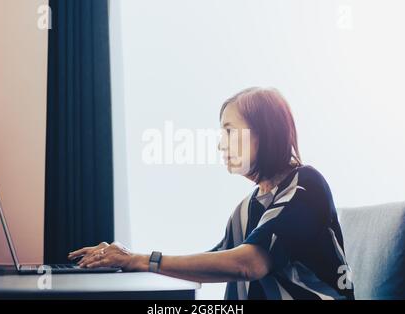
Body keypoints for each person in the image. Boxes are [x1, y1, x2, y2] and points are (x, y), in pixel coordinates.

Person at [68, 87, 354, 300]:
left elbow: (247, 264)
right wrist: (125, 260)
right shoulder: (247, 208)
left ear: (264, 133)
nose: (220, 145)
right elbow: (219, 260)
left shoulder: (306, 185)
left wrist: (141, 259)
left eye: (229, 132)